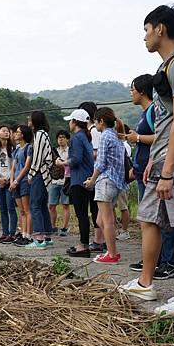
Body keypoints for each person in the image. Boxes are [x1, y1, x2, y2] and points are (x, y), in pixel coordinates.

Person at [119, 4, 174, 315]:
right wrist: (155, 162)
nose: (144, 36)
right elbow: (167, 121)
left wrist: (168, 170)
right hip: (163, 160)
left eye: (146, 29)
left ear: (160, 29)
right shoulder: (166, 68)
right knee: (149, 220)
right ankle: (146, 283)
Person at [127, 74, 174, 280]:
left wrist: (138, 137)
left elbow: (163, 137)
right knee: (150, 219)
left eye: (132, 89)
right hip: (143, 171)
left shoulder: (154, 111)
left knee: (163, 219)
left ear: (141, 91)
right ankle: (154, 259)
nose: (131, 93)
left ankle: (168, 261)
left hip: (156, 171)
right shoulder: (145, 113)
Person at [85, 107, 127, 264]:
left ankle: (112, 254)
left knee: (107, 221)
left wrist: (92, 180)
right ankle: (111, 251)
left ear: (101, 121)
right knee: (101, 220)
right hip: (115, 181)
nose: (95, 124)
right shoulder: (116, 136)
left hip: (106, 181)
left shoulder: (105, 136)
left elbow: (101, 162)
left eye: (95, 121)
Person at [59, 109, 93, 258]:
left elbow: (76, 159)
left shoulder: (77, 138)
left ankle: (83, 245)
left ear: (75, 122)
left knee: (81, 214)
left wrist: (63, 163)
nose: (69, 123)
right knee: (85, 214)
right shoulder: (85, 137)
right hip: (87, 178)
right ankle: (84, 243)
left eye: (70, 120)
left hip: (79, 180)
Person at [78, 101, 106, 252]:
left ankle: (99, 240)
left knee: (96, 209)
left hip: (96, 174)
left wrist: (82, 154)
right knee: (96, 208)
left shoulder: (94, 131)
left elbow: (97, 153)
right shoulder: (91, 131)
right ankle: (99, 240)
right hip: (93, 173)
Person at [26, 111, 54, 249]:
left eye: (30, 118)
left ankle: (39, 239)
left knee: (35, 205)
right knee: (42, 205)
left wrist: (30, 174)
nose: (28, 119)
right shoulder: (44, 134)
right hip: (45, 175)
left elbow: (37, 158)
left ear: (35, 120)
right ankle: (47, 236)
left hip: (39, 174)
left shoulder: (39, 134)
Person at [0, 125, 18, 243]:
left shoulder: (13, 149)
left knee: (11, 208)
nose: (6, 133)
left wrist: (6, 179)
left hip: (9, 182)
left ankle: (12, 233)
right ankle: (4, 233)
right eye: (3, 131)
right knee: (2, 210)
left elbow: (14, 166)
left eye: (7, 131)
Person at [10, 125, 33, 247]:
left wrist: (16, 181)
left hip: (24, 181)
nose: (15, 134)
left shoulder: (29, 147)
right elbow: (13, 167)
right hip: (16, 182)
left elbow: (27, 166)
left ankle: (28, 236)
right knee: (21, 211)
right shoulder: (17, 149)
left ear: (23, 134)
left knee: (27, 209)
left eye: (17, 132)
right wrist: (12, 181)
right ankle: (23, 234)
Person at [49, 130, 71, 237]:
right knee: (52, 205)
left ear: (67, 139)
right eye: (59, 137)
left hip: (66, 181)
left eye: (63, 137)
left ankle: (64, 227)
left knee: (65, 205)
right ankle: (52, 227)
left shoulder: (71, 151)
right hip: (54, 181)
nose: (61, 139)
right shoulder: (53, 152)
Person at [114, 121, 132, 241]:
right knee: (111, 207)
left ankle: (125, 231)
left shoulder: (124, 145)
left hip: (121, 180)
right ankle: (116, 229)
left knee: (123, 207)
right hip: (115, 179)